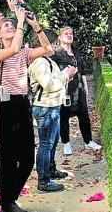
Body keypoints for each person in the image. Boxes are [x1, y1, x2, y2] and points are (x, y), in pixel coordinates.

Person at [0, 4, 52, 212]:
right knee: (8, 157)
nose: (10, 27)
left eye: (11, 25)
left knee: (27, 159)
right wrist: (20, 20)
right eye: (5, 26)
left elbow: (48, 50)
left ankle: (9, 199)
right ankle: (7, 203)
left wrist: (34, 24)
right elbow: (12, 49)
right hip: (6, 105)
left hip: (23, 103)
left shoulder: (24, 52)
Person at [28, 29, 77, 192]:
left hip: (52, 107)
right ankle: (43, 180)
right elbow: (49, 85)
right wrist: (66, 75)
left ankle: (50, 170)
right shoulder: (41, 62)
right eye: (54, 42)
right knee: (45, 145)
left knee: (52, 142)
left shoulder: (48, 60)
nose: (56, 46)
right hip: (45, 108)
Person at [53, 26, 102, 155]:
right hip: (65, 90)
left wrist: (85, 86)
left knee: (84, 116)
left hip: (79, 89)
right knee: (64, 116)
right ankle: (66, 143)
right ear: (60, 37)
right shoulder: (56, 53)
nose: (69, 35)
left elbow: (82, 69)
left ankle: (88, 141)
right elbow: (54, 72)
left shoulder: (76, 51)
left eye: (71, 33)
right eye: (66, 34)